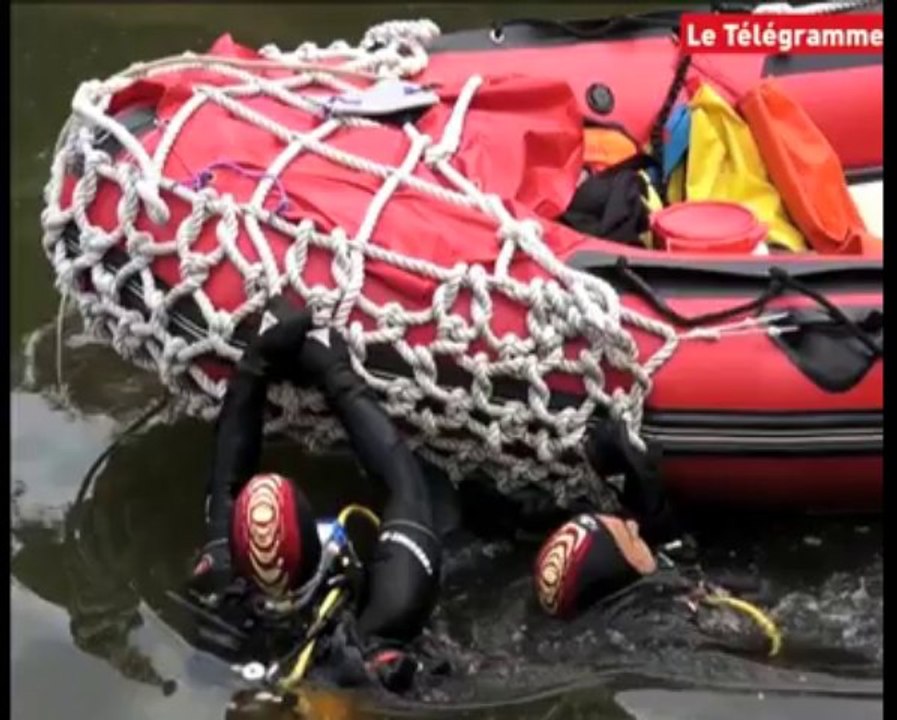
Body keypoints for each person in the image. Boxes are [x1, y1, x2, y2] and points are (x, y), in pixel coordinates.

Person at [186, 297, 442, 692]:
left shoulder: (223, 588)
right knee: (450, 513)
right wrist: (336, 374)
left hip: (266, 678)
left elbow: (224, 485)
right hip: (365, 688)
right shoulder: (383, 617)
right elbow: (406, 485)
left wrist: (257, 361)